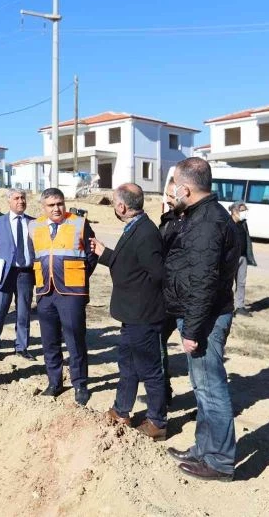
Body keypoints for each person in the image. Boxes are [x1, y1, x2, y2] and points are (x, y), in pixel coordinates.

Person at [163, 157, 239, 481]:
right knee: (201, 387)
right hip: (198, 314)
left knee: (211, 388)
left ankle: (219, 461)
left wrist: (192, 329)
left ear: (185, 187)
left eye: (173, 185)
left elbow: (204, 280)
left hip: (205, 319)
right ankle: (203, 448)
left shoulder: (208, 223)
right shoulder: (198, 214)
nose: (170, 191)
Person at [90, 183, 167, 440]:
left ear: (122, 206)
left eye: (114, 203)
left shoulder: (146, 232)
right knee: (128, 365)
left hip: (143, 314)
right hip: (131, 313)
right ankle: (122, 410)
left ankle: (157, 422)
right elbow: (131, 264)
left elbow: (157, 274)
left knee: (150, 369)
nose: (114, 207)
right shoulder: (135, 227)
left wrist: (140, 296)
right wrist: (105, 254)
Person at [28, 188, 98, 405]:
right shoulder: (34, 226)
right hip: (45, 292)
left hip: (71, 293)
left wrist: (79, 277)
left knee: (75, 339)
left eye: (60, 203)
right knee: (49, 341)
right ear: (43, 207)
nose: (57, 208)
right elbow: (34, 256)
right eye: (51, 205)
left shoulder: (79, 223)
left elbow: (92, 254)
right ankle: (54, 382)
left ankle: (80, 384)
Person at [0, 189, 36, 361]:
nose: (20, 201)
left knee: (24, 312)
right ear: (9, 201)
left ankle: (22, 347)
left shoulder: (34, 223)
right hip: (4, 273)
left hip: (26, 274)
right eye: (16, 198)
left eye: (23, 198)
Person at [158, 178, 183, 404]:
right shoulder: (166, 221)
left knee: (199, 358)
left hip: (188, 302)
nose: (166, 199)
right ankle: (164, 390)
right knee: (157, 343)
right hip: (165, 298)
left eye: (170, 194)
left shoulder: (201, 223)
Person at [229, 201, 256, 317]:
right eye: (242, 210)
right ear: (235, 212)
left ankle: (240, 306)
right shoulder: (227, 223)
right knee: (228, 283)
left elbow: (247, 239)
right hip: (230, 259)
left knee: (241, 283)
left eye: (245, 210)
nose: (244, 213)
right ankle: (227, 307)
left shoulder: (243, 223)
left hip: (243, 257)